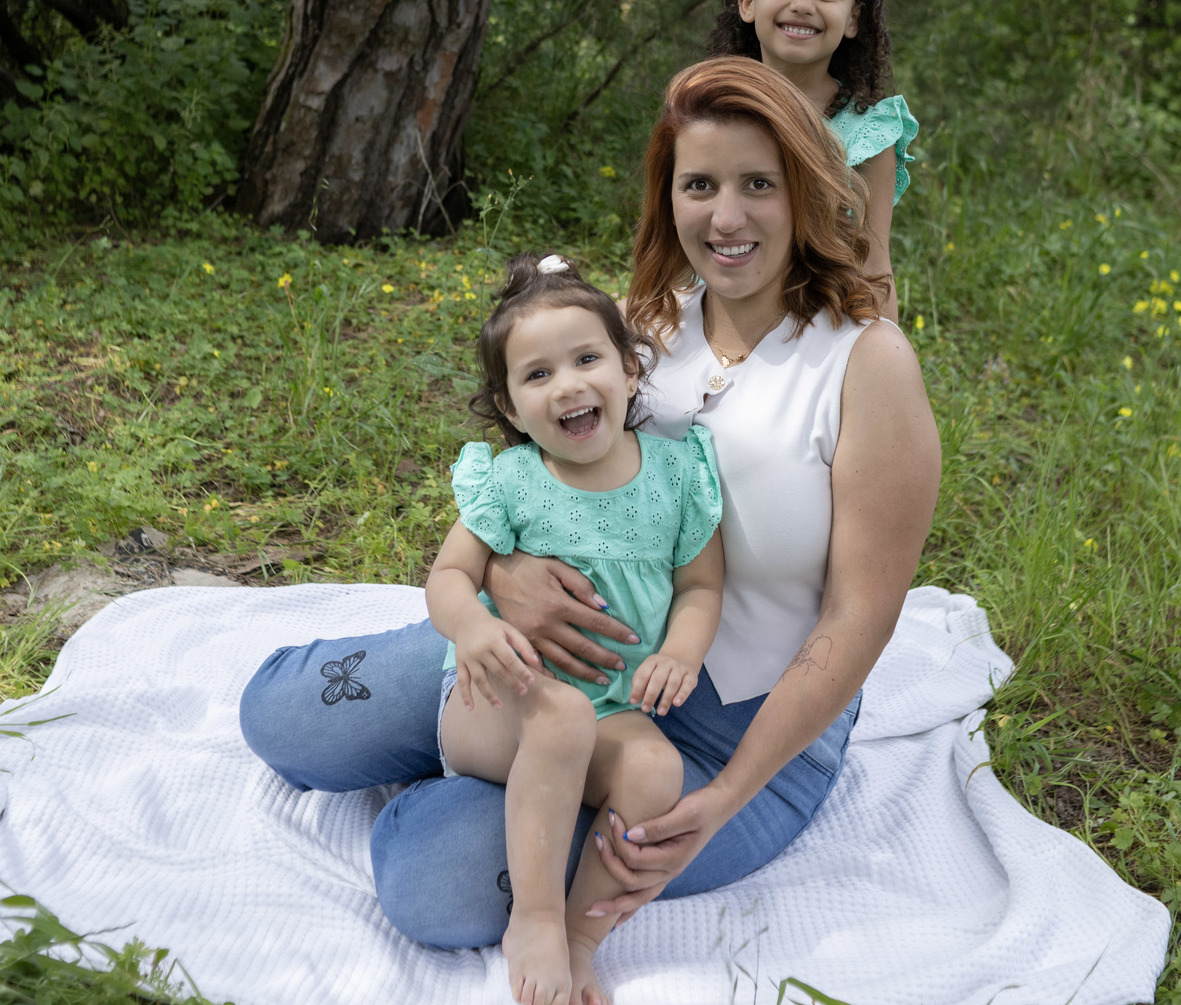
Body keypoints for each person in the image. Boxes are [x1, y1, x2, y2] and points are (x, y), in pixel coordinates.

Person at [239, 59, 940, 949]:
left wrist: (728, 796)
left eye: (759, 184)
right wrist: (505, 575)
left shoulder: (866, 363)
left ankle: (472, 785)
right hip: (554, 659)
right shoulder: (647, 323)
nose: (726, 217)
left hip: (731, 738)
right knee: (283, 719)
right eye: (700, 185)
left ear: (805, 187)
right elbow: (537, 467)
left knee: (434, 882)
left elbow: (861, 615)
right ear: (668, 194)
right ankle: (485, 756)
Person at [426, 252, 723, 1005]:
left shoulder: (676, 475)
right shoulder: (513, 481)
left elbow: (701, 587)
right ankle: (533, 918)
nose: (567, 385)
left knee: (657, 768)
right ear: (511, 405)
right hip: (502, 703)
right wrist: (472, 626)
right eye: (538, 374)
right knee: (559, 717)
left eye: (587, 359)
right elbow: (449, 576)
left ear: (630, 369)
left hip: (612, 706)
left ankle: (583, 936)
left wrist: (680, 651)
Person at [706, 0, 918, 321]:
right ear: (748, 1)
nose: (802, 5)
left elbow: (873, 266)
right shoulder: (711, 109)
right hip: (715, 321)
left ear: (854, 18)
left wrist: (886, 354)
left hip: (816, 331)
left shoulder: (867, 134)